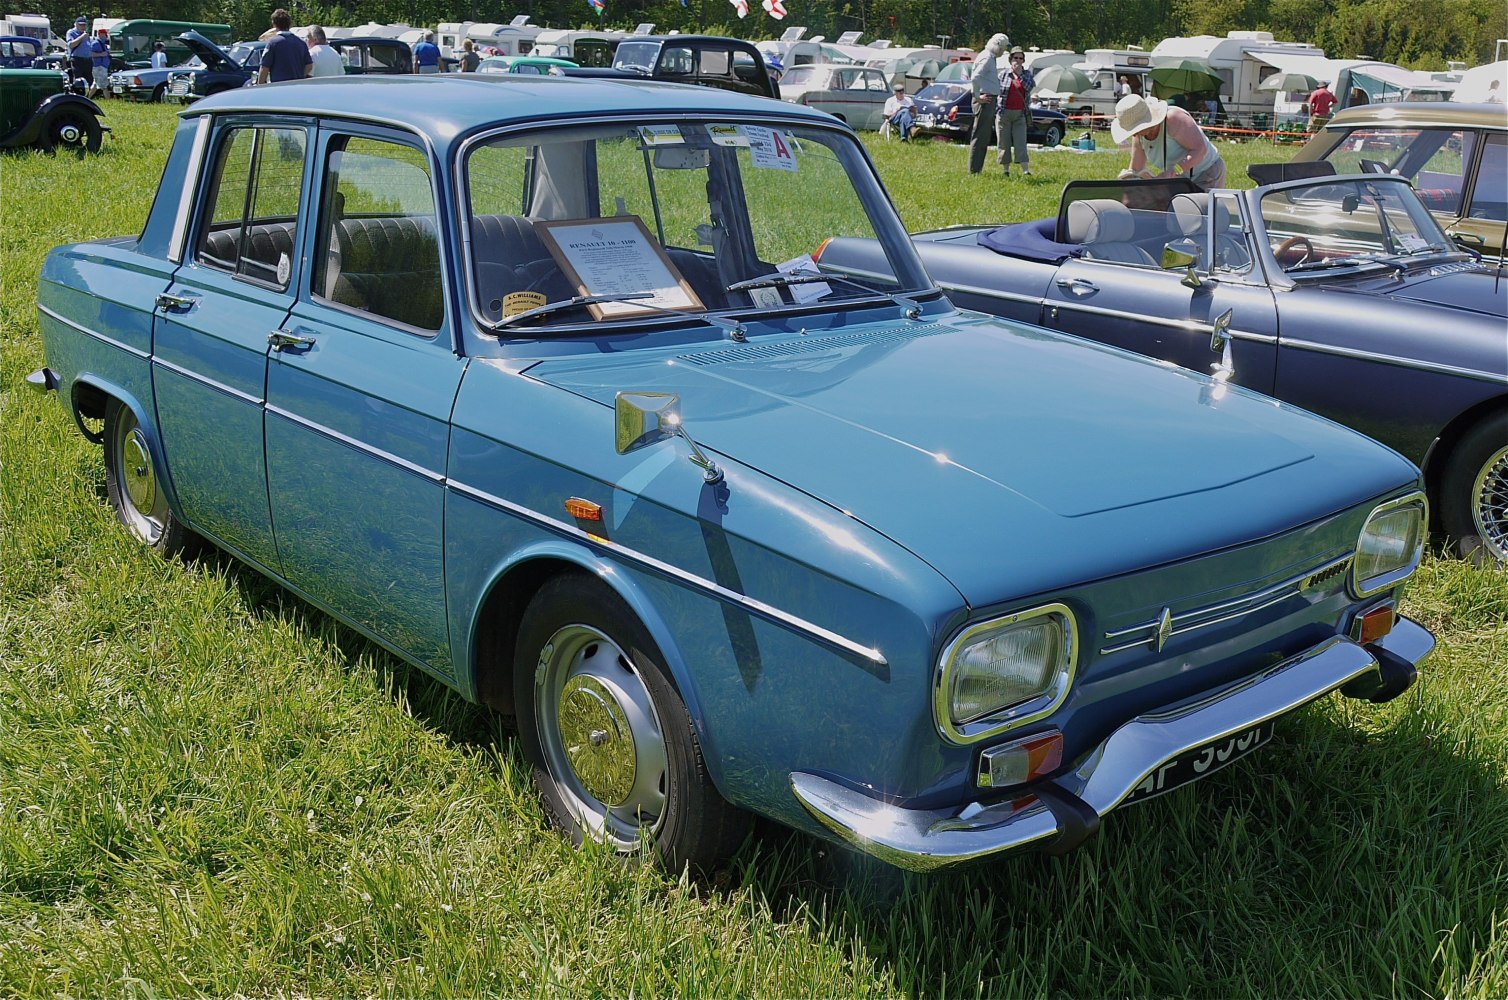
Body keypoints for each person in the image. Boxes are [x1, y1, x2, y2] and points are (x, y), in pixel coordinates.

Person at [1112, 92, 1226, 191]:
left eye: (1135, 128)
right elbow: (1136, 169)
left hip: (1207, 172)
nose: (1133, 134)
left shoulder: (1173, 119)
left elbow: (1200, 149)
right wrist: (1129, 182)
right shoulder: (1139, 136)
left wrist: (1172, 172)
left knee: (1200, 213)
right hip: (1180, 179)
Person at [968, 32, 1008, 174]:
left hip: (989, 99)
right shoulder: (986, 58)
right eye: (1002, 48)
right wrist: (977, 96)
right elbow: (975, 77)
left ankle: (977, 168)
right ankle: (974, 170)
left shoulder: (989, 57)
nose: (1003, 52)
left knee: (984, 136)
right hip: (985, 100)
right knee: (980, 135)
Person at [997, 46, 1035, 176]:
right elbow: (997, 92)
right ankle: (1006, 170)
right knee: (1004, 143)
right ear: (1010, 59)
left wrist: (1019, 75)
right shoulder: (1003, 75)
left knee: (1020, 142)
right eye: (1015, 58)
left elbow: (1030, 87)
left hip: (1020, 114)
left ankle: (1025, 170)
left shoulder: (1027, 75)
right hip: (1004, 114)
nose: (1018, 61)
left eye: (1020, 58)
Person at [258, 9, 311, 84]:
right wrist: (300, 77)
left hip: (279, 87)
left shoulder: (273, 43)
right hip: (297, 86)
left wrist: (260, 86)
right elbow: (309, 65)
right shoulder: (301, 43)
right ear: (290, 24)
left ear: (274, 24)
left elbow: (264, 67)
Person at [66, 16, 92, 88]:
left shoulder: (86, 34)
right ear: (76, 24)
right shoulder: (71, 32)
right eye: (80, 25)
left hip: (88, 61)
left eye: (84, 25)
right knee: (79, 80)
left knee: (89, 80)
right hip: (77, 60)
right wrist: (82, 37)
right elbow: (71, 45)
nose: (82, 26)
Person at [89, 28, 110, 98]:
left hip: (102, 67)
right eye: (105, 34)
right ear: (100, 34)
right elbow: (90, 54)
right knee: (104, 85)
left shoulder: (102, 43)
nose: (106, 36)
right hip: (99, 67)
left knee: (95, 84)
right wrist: (101, 54)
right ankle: (109, 100)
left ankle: (88, 98)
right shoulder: (96, 43)